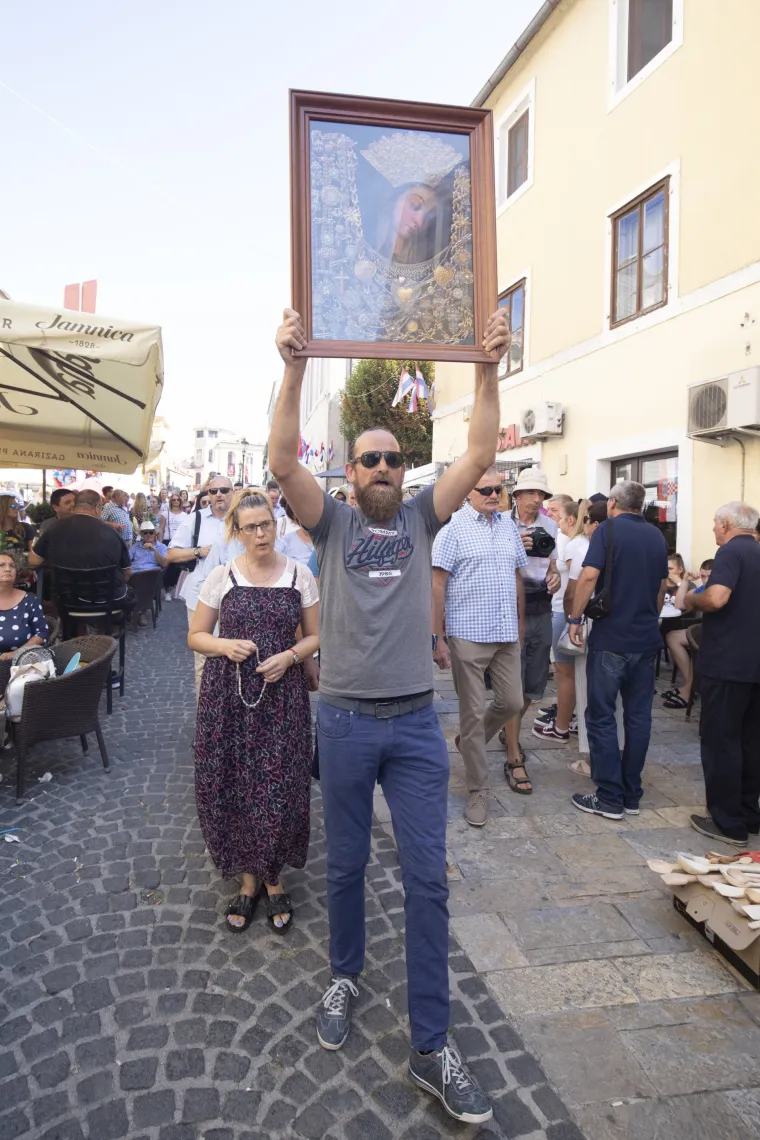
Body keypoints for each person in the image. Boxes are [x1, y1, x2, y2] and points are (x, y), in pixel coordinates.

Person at [268, 305, 510, 1125]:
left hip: (411, 726)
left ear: (404, 471)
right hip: (340, 719)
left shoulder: (421, 517)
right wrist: (295, 365)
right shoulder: (329, 523)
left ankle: (432, 1048)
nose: (379, 467)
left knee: (428, 881)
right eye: (367, 458)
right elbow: (276, 457)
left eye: (391, 458)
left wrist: (487, 366)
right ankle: (344, 975)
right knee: (343, 869)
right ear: (346, 469)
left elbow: (479, 450)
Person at [189, 490, 319, 933]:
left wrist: (291, 657)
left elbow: (316, 636)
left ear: (276, 525)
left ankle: (275, 876)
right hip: (230, 697)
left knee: (281, 785)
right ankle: (248, 882)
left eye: (266, 524)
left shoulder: (300, 574)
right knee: (237, 782)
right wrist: (224, 645)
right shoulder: (222, 576)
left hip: (283, 699)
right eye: (251, 527)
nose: (261, 533)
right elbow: (196, 636)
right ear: (237, 533)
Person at [431, 467, 527, 826]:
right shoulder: (452, 530)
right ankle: (478, 789)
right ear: (467, 493)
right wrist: (437, 637)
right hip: (467, 634)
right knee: (472, 713)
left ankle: (470, 743)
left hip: (505, 633)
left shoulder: (507, 526)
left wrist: (520, 622)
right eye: (484, 488)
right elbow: (437, 585)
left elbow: (517, 573)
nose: (492, 494)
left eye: (497, 488)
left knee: (512, 701)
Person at [567, 481, 668, 820]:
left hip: (612, 638)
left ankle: (609, 796)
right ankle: (631, 793)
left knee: (600, 716)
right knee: (639, 719)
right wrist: (651, 618)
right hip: (646, 639)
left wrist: (574, 618)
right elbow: (661, 586)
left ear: (612, 503)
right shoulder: (656, 535)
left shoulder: (607, 531)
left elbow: (588, 576)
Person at [683, 504, 760, 845]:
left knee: (721, 742)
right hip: (754, 665)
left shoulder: (730, 552)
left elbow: (716, 598)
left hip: (727, 663)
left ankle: (728, 823)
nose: (713, 528)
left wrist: (690, 597)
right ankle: (749, 814)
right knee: (750, 742)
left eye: (714, 522)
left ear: (727, 524)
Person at [498, 468, 560, 794]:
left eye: (542, 494)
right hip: (511, 613)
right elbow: (493, 567)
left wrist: (556, 577)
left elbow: (553, 567)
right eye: (532, 493)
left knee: (532, 690)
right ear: (518, 495)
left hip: (542, 611)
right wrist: (514, 546)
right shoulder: (502, 525)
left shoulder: (551, 527)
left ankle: (504, 729)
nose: (538, 499)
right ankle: (513, 756)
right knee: (512, 687)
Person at [561, 501, 624, 775]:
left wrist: (572, 620)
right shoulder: (629, 544)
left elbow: (575, 590)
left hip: (592, 627)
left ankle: (591, 760)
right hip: (624, 631)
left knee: (589, 695)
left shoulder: (587, 547)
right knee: (618, 702)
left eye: (586, 519)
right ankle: (620, 756)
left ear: (593, 523)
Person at [167, 475, 233, 694]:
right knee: (203, 660)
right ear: (208, 495)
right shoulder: (195, 519)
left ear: (233, 492)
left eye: (224, 490)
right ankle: (205, 720)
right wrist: (197, 551)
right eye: (213, 491)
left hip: (237, 597)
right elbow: (171, 554)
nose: (219, 495)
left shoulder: (243, 519)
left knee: (236, 657)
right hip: (200, 596)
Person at [534, 499, 590, 744]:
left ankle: (561, 727)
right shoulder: (577, 543)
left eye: (557, 513)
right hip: (565, 613)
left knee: (564, 673)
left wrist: (571, 619)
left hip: (563, 613)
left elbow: (574, 588)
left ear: (571, 518)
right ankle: (570, 719)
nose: (551, 516)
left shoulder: (570, 544)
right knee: (570, 673)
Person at [30, 489, 133, 602]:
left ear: (75, 505)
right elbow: (127, 572)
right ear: (97, 507)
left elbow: (33, 561)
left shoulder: (54, 528)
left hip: (66, 602)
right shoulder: (112, 532)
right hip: (107, 602)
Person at [660, 559, 713, 710]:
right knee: (671, 636)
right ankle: (690, 686)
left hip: (717, 636)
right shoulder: (702, 589)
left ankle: (689, 689)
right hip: (704, 631)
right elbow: (679, 605)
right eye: (703, 576)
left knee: (675, 636)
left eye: (709, 576)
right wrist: (685, 581)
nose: (705, 579)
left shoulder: (719, 589)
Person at [0, 551, 48, 658]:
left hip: (20, 665)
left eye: (12, 566)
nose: (8, 569)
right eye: (1, 565)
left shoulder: (29, 601)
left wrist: (17, 653)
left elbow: (41, 633)